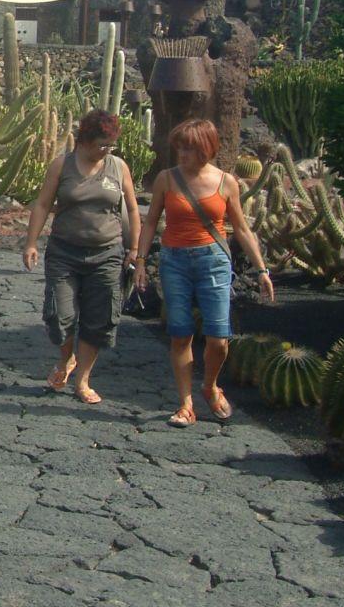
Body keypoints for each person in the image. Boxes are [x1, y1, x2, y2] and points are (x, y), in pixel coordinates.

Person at [134, 118, 275, 427]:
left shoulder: (226, 182)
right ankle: (185, 404)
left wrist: (262, 269)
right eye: (180, 148)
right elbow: (149, 222)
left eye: (189, 149)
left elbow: (240, 228)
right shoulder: (166, 179)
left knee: (219, 338)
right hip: (174, 261)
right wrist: (141, 261)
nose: (182, 155)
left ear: (206, 149)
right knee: (180, 333)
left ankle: (210, 385)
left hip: (213, 260)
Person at [22, 109, 140, 405]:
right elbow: (43, 204)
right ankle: (66, 359)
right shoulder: (62, 165)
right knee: (60, 316)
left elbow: (134, 209)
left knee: (99, 319)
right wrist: (31, 243)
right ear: (84, 141)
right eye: (101, 144)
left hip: (108, 253)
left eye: (110, 145)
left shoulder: (118, 167)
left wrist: (135, 249)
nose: (106, 150)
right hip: (65, 251)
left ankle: (82, 380)